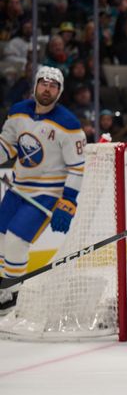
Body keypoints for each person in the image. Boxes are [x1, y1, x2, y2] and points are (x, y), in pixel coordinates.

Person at [0, 66, 86, 313]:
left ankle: (14, 296)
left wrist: (68, 201)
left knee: (16, 240)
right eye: (44, 83)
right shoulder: (18, 113)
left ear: (59, 92)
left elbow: (77, 167)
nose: (47, 89)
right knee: (0, 238)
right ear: (35, 85)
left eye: (53, 85)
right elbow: (6, 146)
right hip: (18, 189)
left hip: (47, 194)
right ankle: (3, 287)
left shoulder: (69, 124)